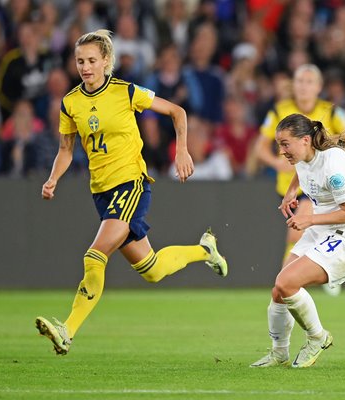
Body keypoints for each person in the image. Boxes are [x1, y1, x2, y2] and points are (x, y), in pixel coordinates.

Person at [34, 29, 228, 356]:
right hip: (102, 192)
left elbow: (177, 112)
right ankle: (205, 251)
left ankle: (67, 330)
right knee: (151, 269)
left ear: (106, 61)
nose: (85, 67)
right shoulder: (71, 103)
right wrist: (54, 178)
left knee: (94, 255)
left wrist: (181, 150)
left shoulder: (126, 92)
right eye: (80, 61)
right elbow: (66, 150)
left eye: (92, 60)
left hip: (131, 183)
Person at [250, 113, 345, 368]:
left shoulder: (334, 165)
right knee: (279, 290)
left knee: (286, 282)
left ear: (305, 140)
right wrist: (292, 190)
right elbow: (302, 168)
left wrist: (309, 220)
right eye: (279, 144)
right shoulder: (305, 154)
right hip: (324, 229)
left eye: (285, 144)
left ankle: (317, 337)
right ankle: (279, 352)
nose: (281, 151)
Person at [254, 64, 345, 296]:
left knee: (298, 230)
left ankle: (288, 286)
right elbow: (260, 147)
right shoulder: (279, 111)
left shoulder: (332, 112)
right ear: (293, 86)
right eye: (300, 81)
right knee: (309, 232)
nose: (304, 87)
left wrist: (343, 161)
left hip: (321, 183)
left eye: (309, 82)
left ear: (318, 87)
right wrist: (274, 161)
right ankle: (327, 271)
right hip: (289, 184)